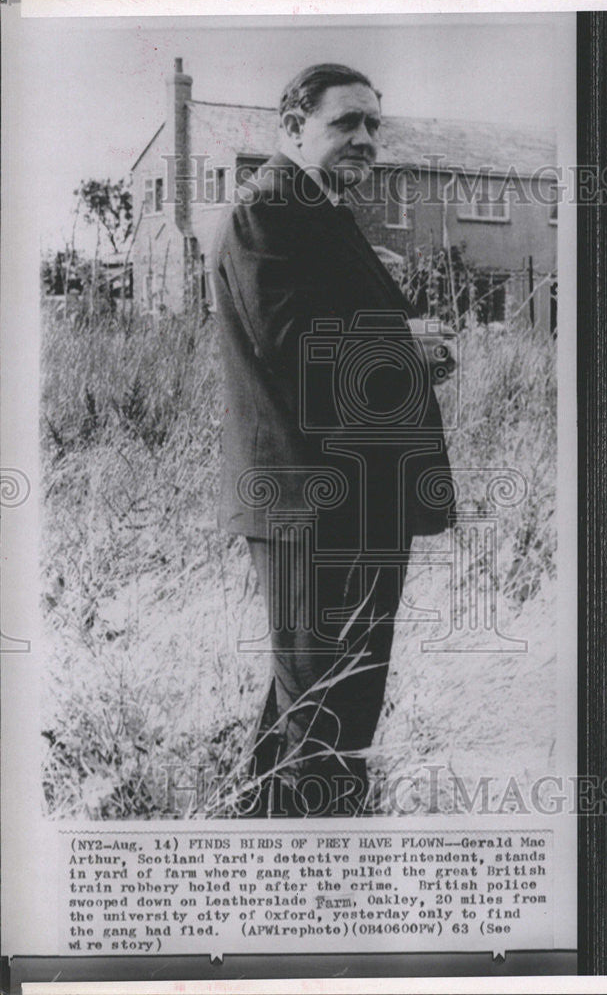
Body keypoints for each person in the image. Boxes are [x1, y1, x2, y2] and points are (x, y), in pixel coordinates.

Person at [212, 63, 455, 817]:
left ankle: (258, 848)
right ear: (290, 127)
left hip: (354, 500)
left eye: (374, 126)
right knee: (328, 710)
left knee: (322, 698)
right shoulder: (269, 211)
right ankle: (316, 881)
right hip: (310, 506)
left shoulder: (318, 211)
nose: (365, 140)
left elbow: (337, 337)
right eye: (345, 123)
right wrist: (404, 344)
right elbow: (292, 346)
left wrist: (415, 351)